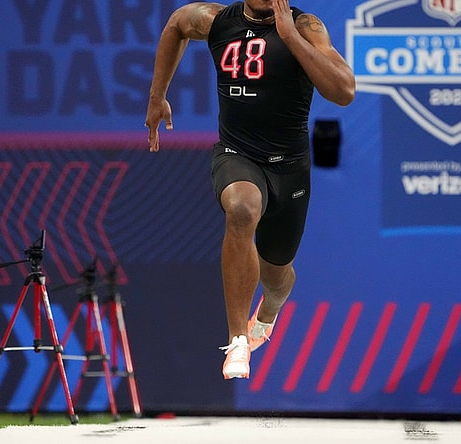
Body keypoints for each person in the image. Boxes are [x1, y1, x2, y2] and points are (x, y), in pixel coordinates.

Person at [145, 0, 355, 379]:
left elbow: (343, 91)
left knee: (277, 278)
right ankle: (237, 340)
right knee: (242, 208)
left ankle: (268, 313)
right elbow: (176, 24)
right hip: (237, 154)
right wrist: (157, 96)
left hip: (289, 169)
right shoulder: (216, 20)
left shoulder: (306, 26)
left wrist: (289, 36)